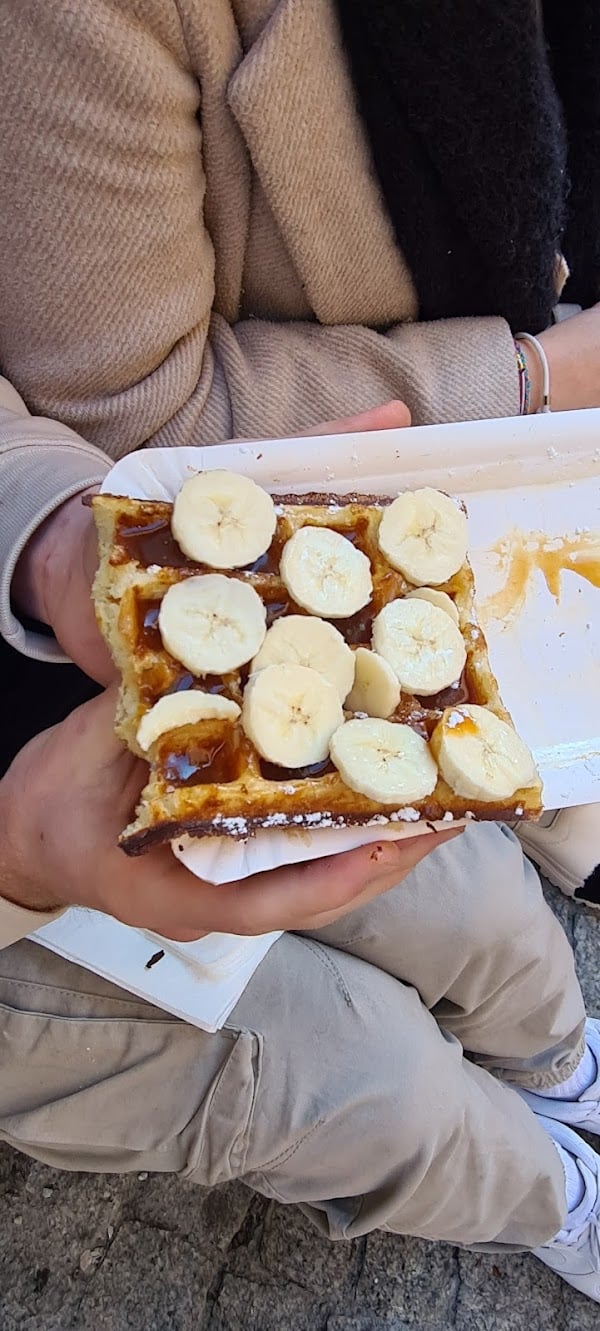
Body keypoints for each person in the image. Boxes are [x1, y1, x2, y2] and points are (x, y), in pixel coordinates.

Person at [1, 0, 600, 1301]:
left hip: (180, 647)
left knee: (477, 912)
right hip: (21, 907)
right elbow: (129, 394)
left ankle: (567, 1064)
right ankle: (553, 1189)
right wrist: (12, 860)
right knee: (344, 1084)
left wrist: (44, 534)